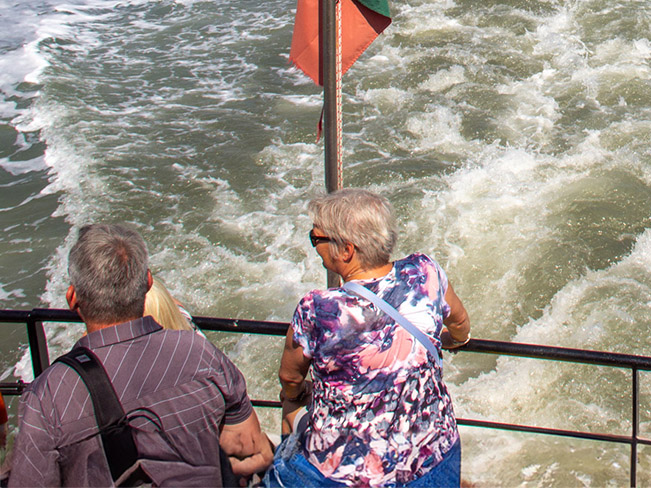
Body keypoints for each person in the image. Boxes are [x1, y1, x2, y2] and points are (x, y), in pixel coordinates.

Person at [7, 223, 273, 487]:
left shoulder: (49, 394)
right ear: (147, 282)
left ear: (72, 297)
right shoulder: (200, 352)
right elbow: (245, 443)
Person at [265, 189, 471, 488]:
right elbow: (461, 323)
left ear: (346, 250)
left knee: (290, 412)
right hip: (432, 456)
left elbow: (290, 377)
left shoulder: (318, 309)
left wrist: (294, 398)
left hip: (346, 470)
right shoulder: (426, 272)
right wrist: (454, 340)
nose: (314, 246)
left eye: (316, 239)